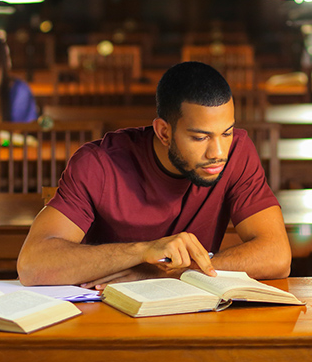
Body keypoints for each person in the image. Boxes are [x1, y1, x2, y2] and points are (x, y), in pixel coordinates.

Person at [17, 61, 291, 289]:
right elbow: (33, 265)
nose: (217, 152)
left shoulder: (238, 152)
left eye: (227, 133)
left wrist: (165, 272)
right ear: (163, 132)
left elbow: (277, 255)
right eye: (199, 137)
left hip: (193, 312)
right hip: (107, 313)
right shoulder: (98, 164)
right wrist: (143, 252)